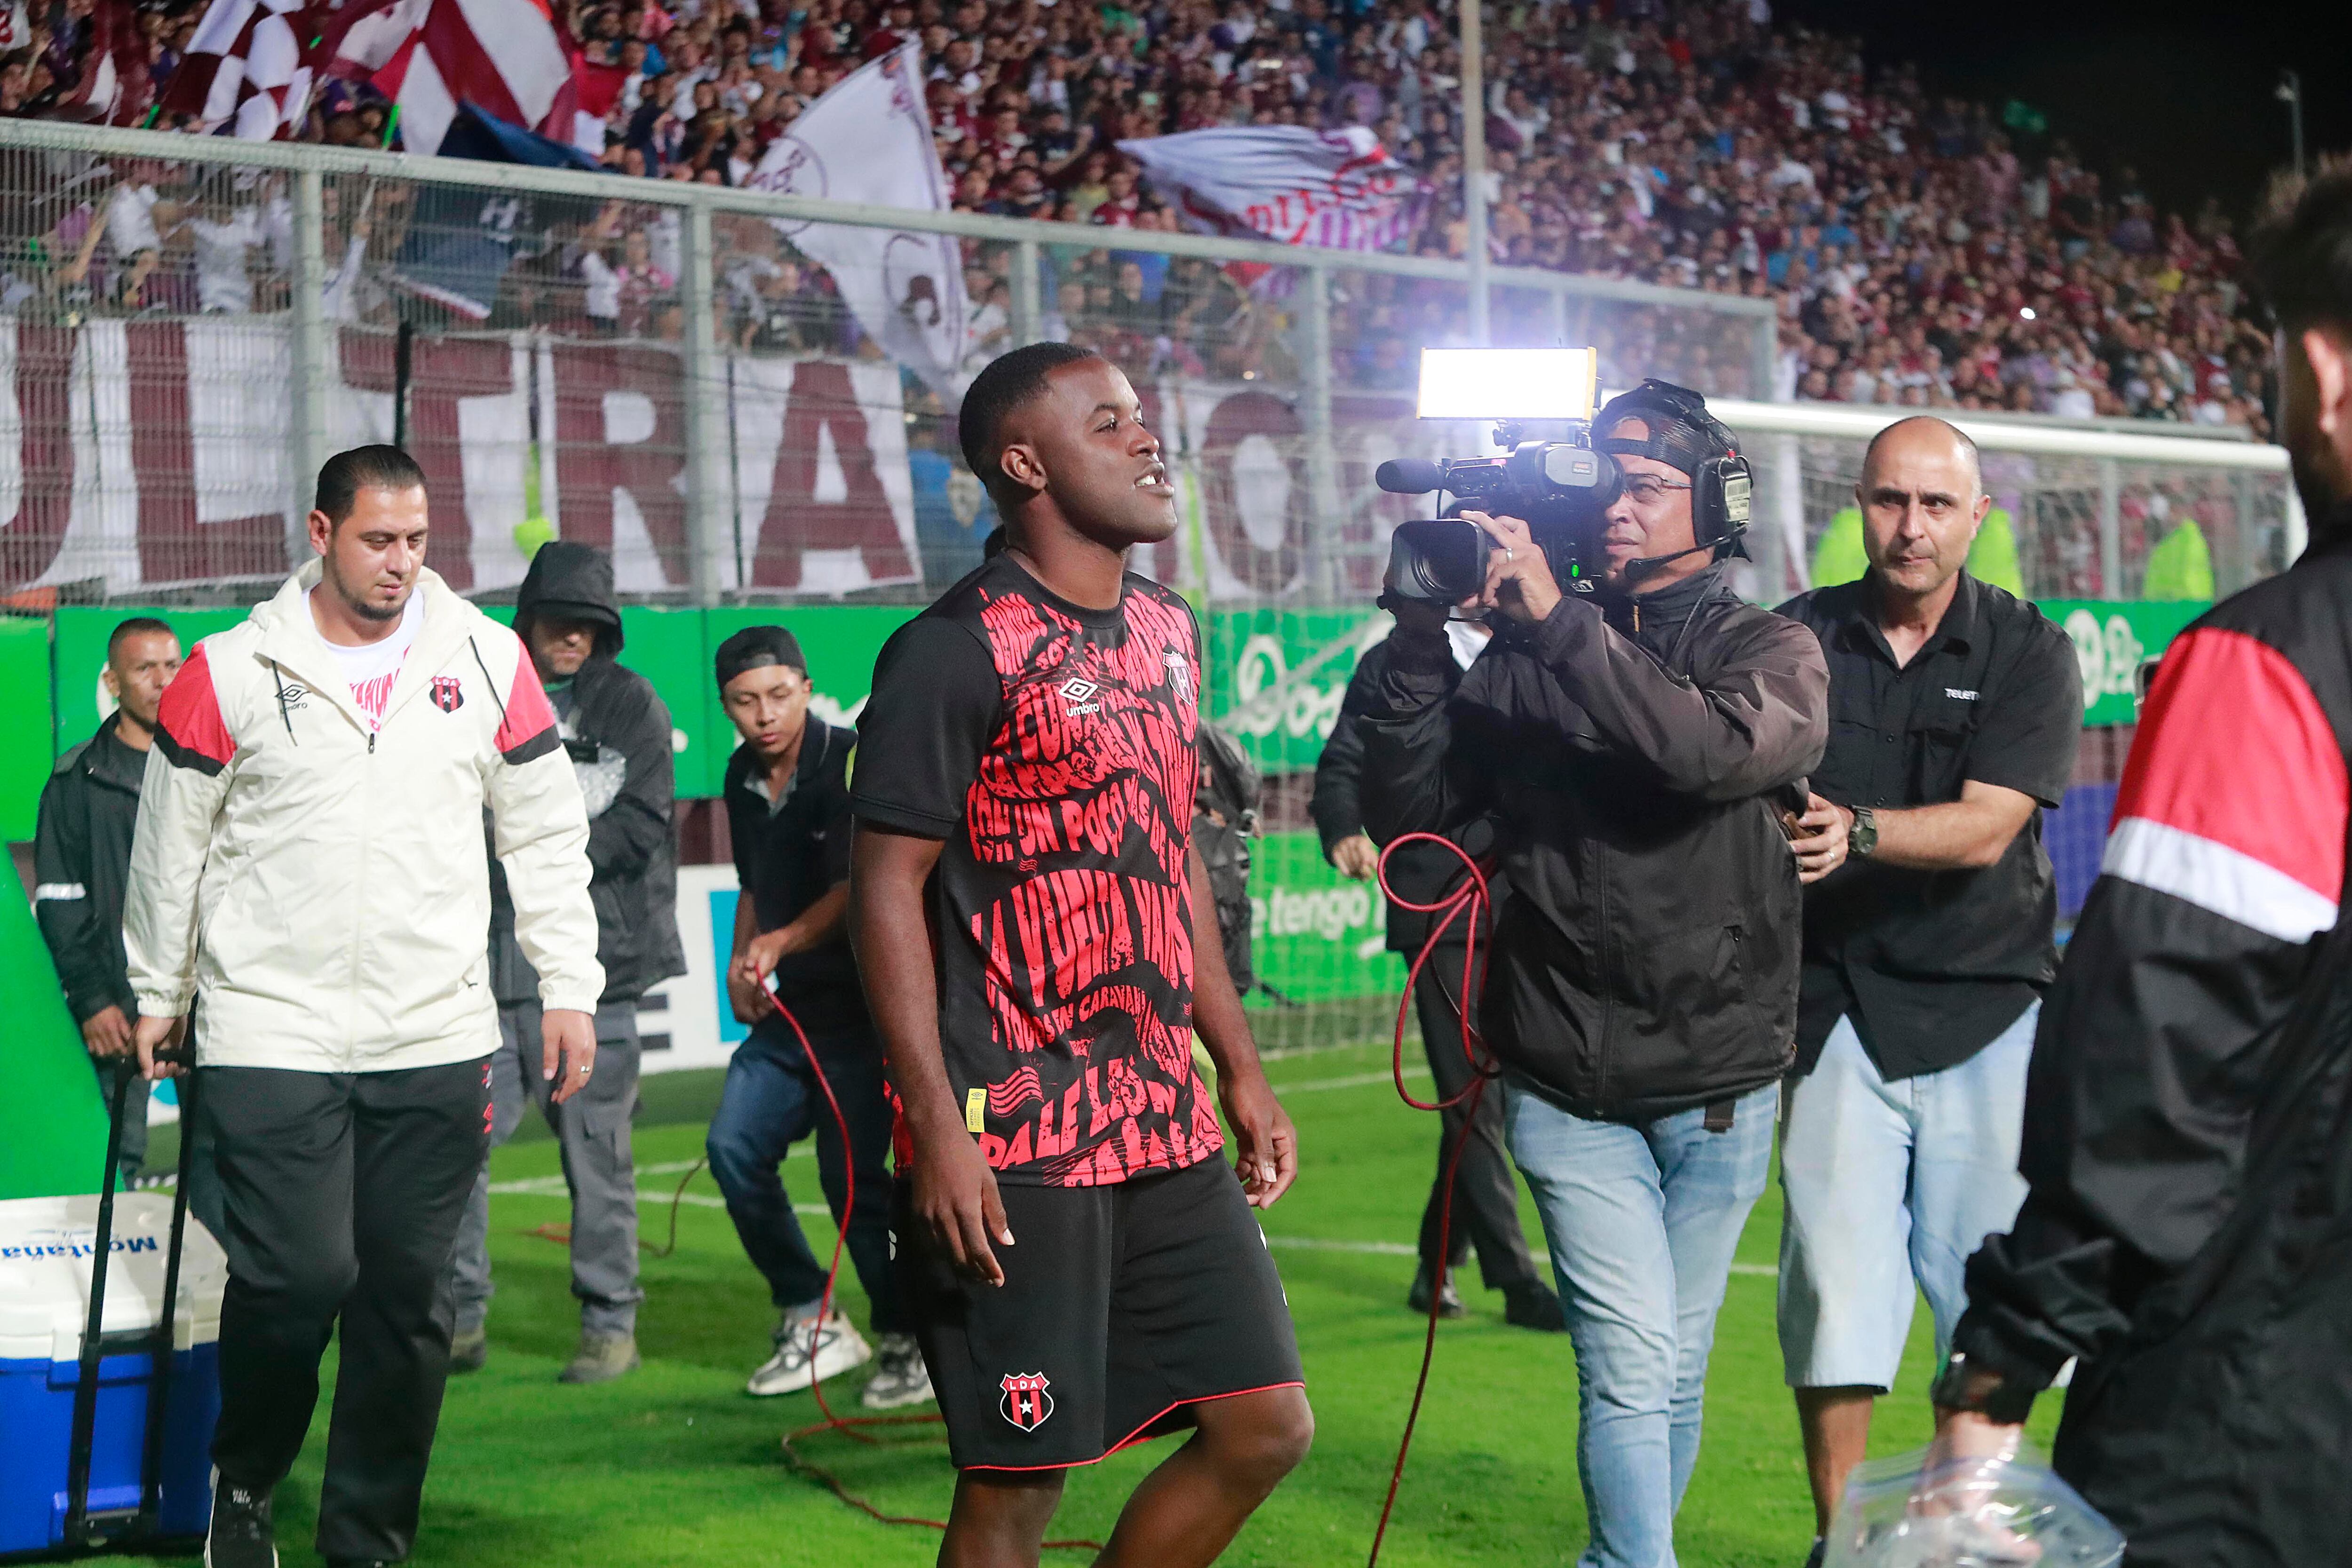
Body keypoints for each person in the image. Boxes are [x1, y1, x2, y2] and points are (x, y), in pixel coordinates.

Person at [1927, 159, 2352, 1567]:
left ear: (2323, 374)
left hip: (2257, 1419)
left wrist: (1995, 1377)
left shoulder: (2272, 665)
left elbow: (2156, 1060)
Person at [850, 342, 1312, 1566]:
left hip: (1163, 1117)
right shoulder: (954, 646)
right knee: (1017, 1482)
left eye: (1142, 416)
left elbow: (1170, 865)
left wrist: (1241, 1064)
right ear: (1024, 462)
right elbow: (884, 888)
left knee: (1265, 1425)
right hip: (1018, 1134)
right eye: (1107, 422)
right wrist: (939, 1124)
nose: (1149, 439)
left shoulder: (1169, 629)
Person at [1359, 381, 1828, 1568]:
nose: (1617, 510)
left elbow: (1699, 752)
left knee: (1666, 1364)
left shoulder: (1769, 647)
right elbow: (1419, 834)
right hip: (1564, 1077)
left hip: (1719, 1082)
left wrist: (1558, 624)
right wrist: (1422, 644)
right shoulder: (1522, 652)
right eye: (1603, 486)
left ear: (1715, 500)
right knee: (1629, 1363)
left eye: (1648, 487)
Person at [122, 445, 602, 1568]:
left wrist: (568, 985)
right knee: (296, 1277)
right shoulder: (230, 668)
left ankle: (366, 1538)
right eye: (377, 539)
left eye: (418, 540)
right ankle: (244, 1482)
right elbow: (169, 848)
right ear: (320, 532)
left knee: (408, 1302)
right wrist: (158, 988)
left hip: (435, 1032)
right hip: (265, 1030)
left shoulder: (487, 658)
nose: (400, 562)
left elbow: (542, 831)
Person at [1772, 416, 2082, 1566]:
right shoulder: (1795, 636)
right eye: (1890, 500)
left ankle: (1959, 1533)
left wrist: (1853, 832)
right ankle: (1843, 1544)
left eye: (1936, 505)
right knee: (1830, 1299)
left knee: (1984, 1294)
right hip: (1834, 1009)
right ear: (1859, 504)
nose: (1911, 526)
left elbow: (1987, 830)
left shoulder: (2028, 651)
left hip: (1986, 1007)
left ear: (1976, 517)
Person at [447, 541, 685, 1385]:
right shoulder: (483, 702)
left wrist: (532, 853)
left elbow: (641, 827)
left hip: (599, 974)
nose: (574, 638)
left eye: (591, 624)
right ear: (529, 622)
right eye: (559, 620)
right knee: (459, 1146)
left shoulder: (632, 706)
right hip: (487, 970)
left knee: (598, 1157)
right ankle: (459, 1317)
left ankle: (610, 1323)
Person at [1311, 613, 1565, 1331]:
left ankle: (1435, 1264)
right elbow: (1342, 765)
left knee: (1496, 1101)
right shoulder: (1396, 662)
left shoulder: (1543, 647)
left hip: (1534, 908)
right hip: (1441, 910)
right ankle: (1517, 1281)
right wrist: (1343, 829)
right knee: (1472, 1103)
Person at [708, 624, 930, 1410]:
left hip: (864, 1016)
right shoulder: (740, 776)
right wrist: (742, 964)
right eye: (744, 700)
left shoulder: (848, 762)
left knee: (855, 1185)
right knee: (733, 1148)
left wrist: (781, 940)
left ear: (806, 687)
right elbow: (755, 884)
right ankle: (811, 1311)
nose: (764, 712)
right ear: (726, 707)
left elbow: (863, 887)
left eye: (778, 693)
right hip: (789, 1016)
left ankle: (908, 1340)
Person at [34, 617, 183, 1188]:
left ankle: (225, 1280)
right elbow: (60, 900)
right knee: (114, 1167)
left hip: (211, 1001)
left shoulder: (217, 768)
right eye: (145, 669)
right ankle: (115, 1280)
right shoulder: (77, 780)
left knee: (232, 1159)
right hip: (118, 1007)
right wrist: (94, 1000)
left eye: (172, 667)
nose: (162, 682)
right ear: (113, 682)